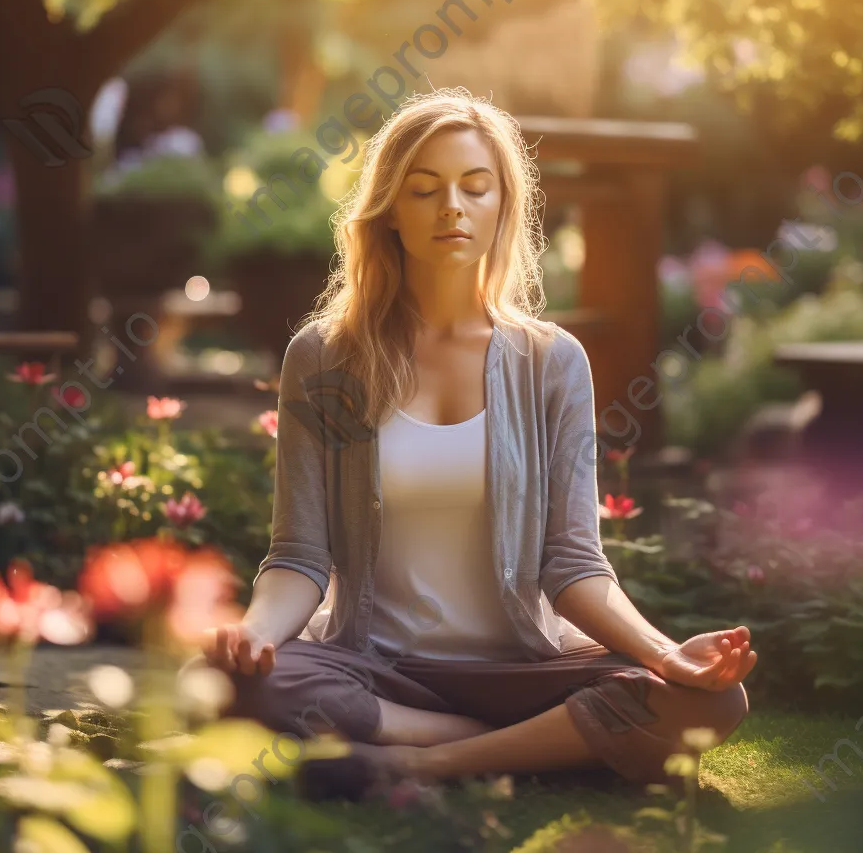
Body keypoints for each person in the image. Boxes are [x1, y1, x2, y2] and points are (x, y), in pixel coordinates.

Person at [199, 88, 755, 799]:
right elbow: (301, 556)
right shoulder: (325, 358)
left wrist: (667, 656)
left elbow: (574, 563)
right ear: (390, 212)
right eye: (423, 190)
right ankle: (542, 746)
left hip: (521, 670)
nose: (450, 208)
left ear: (503, 206)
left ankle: (416, 763)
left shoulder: (552, 362)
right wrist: (255, 636)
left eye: (474, 187)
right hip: (377, 667)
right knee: (219, 681)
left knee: (713, 702)